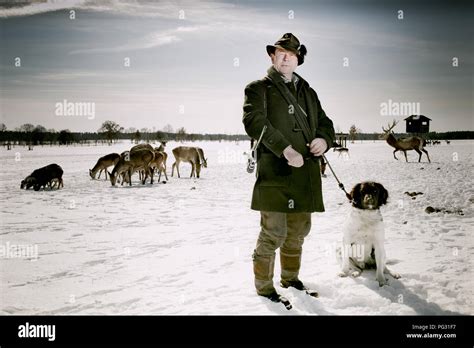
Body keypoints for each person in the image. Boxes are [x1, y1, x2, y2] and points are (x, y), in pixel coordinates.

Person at [242, 33, 336, 303]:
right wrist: (284, 149)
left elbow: (325, 123)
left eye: (291, 54)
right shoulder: (257, 88)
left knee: (297, 232)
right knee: (273, 233)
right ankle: (263, 289)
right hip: (275, 171)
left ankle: (291, 280)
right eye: (281, 53)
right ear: (272, 56)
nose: (286, 58)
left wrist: (323, 140)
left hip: (304, 172)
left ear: (298, 59)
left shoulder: (308, 91)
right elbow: (254, 121)